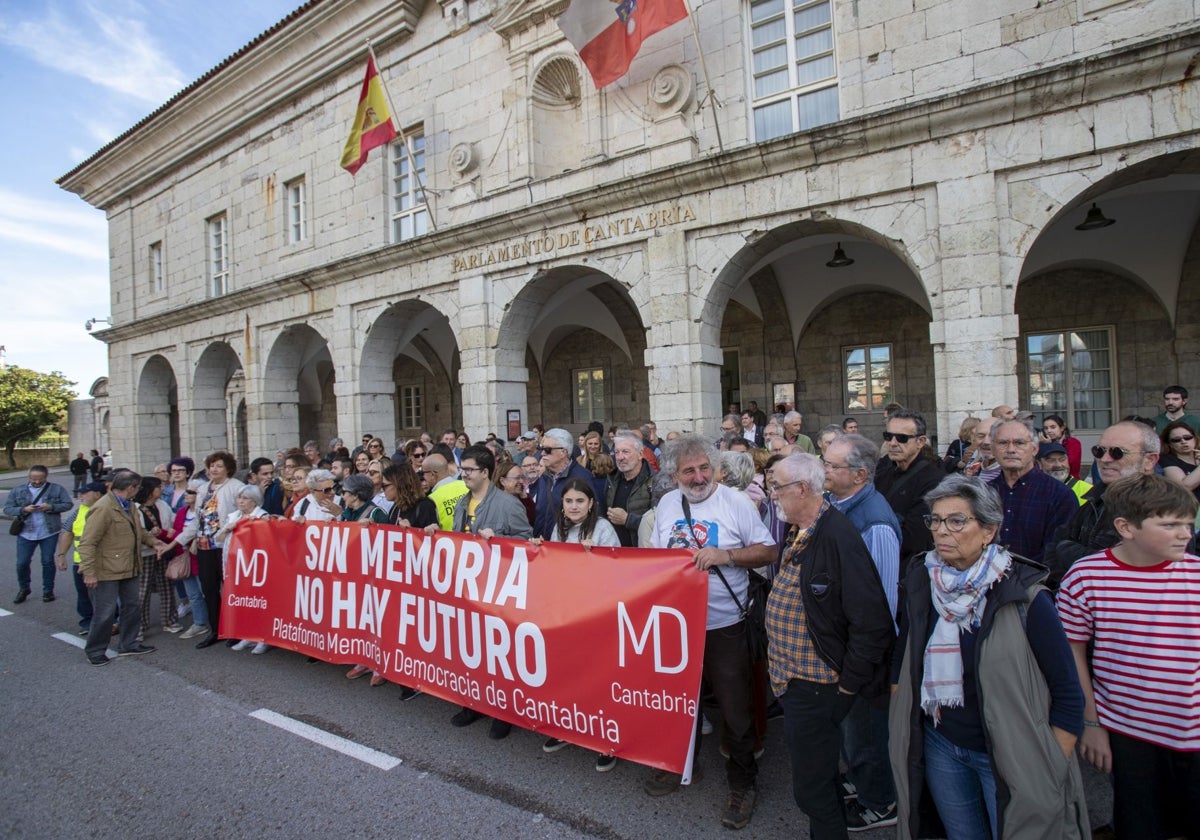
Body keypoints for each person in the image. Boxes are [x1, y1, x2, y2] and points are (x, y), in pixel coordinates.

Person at [890, 474, 1087, 840]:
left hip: (1011, 752)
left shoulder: (1025, 597)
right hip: (942, 744)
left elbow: (1068, 693)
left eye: (956, 520)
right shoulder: (922, 579)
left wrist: (1050, 764)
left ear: (989, 531)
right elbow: (905, 651)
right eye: (934, 520)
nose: (941, 531)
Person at [645, 435, 777, 830]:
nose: (699, 477)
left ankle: (742, 783)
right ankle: (681, 765)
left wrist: (728, 556)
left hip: (725, 626)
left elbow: (768, 551)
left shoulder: (735, 502)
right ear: (674, 475)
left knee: (735, 711)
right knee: (677, 703)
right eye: (689, 470)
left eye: (705, 468)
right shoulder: (668, 504)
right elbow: (655, 558)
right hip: (678, 625)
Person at [1057, 473, 1200, 839]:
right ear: (1126, 527)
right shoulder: (1086, 577)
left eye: (1187, 524)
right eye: (1170, 525)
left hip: (1194, 731)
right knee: (1139, 825)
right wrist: (1092, 725)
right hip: (1129, 732)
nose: (1185, 534)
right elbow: (1071, 651)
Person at [765, 453, 895, 838]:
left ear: (802, 489)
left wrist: (849, 683)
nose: (773, 496)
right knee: (819, 777)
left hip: (819, 684)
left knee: (812, 788)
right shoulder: (802, 527)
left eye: (778, 488)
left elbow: (872, 621)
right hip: (797, 680)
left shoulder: (837, 535)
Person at [821, 434, 902, 830]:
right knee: (851, 728)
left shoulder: (876, 522)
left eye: (833, 467)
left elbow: (882, 604)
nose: (826, 472)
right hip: (844, 645)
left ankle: (880, 803)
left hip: (865, 652)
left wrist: (862, 657)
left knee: (866, 729)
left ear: (860, 474)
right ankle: (860, 778)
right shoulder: (839, 505)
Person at [444, 445, 533, 737]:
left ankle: (504, 712)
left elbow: (527, 544)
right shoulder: (461, 503)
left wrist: (500, 540)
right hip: (468, 588)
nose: (464, 474)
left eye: (469, 470)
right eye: (462, 469)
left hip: (498, 592)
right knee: (472, 650)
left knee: (499, 654)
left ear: (485, 472)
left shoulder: (508, 505)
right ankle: (473, 703)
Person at [538, 477, 622, 769]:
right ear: (562, 504)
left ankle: (605, 740)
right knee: (567, 675)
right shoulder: (558, 529)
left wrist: (593, 559)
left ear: (591, 504)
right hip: (565, 614)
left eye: (580, 501)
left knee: (597, 678)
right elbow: (550, 569)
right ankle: (568, 727)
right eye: (569, 501)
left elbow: (618, 573)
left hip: (595, 617)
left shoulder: (602, 529)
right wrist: (540, 550)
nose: (574, 506)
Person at [1044, 421, 1161, 589]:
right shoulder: (1094, 500)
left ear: (1149, 460)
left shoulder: (1164, 506)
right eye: (1099, 451)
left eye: (1117, 453)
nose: (1105, 460)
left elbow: (1131, 570)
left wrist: (1069, 552)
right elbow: (1053, 553)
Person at [77, 470, 168, 665]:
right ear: (130, 488)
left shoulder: (129, 506)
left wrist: (155, 542)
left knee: (132, 607)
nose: (139, 490)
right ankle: (95, 650)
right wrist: (89, 572)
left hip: (129, 566)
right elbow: (87, 542)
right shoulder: (103, 508)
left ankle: (128, 643)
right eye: (138, 487)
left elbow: (140, 531)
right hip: (107, 570)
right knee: (105, 612)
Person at [987, 419, 1077, 566]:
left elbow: (1057, 551)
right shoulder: (984, 492)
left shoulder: (1059, 495)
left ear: (1034, 449)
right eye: (1003, 443)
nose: (1011, 449)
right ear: (993, 449)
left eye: (1019, 443)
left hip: (1037, 583)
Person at [874, 410, 943, 572]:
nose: (893, 443)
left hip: (910, 569)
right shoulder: (883, 472)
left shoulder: (934, 480)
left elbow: (915, 537)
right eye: (888, 436)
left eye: (902, 438)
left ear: (921, 441)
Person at [193, 451, 244, 649]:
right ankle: (216, 629)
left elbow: (242, 513)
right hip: (205, 544)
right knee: (209, 588)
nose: (214, 469)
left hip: (225, 545)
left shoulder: (236, 487)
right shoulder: (203, 488)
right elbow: (198, 517)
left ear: (228, 468)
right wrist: (183, 540)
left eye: (219, 466)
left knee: (230, 587)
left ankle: (236, 629)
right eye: (212, 465)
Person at [5, 465, 73, 604]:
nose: (36, 482)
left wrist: (51, 507)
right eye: (33, 479)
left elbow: (68, 504)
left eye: (40, 479)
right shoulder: (18, 490)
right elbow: (8, 509)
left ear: (45, 477)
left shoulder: (56, 489)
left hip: (48, 531)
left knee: (47, 561)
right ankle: (24, 588)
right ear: (29, 477)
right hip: (26, 532)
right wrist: (24, 509)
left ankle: (48, 590)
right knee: (22, 563)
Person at [220, 485, 272, 655]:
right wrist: (227, 528)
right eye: (239, 497)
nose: (241, 501)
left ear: (255, 500)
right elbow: (219, 538)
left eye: (245, 498)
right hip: (235, 565)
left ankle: (263, 637)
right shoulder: (233, 516)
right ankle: (248, 635)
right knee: (242, 600)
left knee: (258, 601)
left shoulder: (262, 516)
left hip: (254, 566)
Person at [55, 481, 106, 635]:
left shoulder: (107, 509)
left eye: (85, 493)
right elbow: (68, 532)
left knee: (105, 594)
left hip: (104, 561)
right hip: (81, 561)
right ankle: (87, 622)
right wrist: (62, 555)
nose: (81, 496)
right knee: (83, 594)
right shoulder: (80, 511)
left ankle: (111, 620)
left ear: (98, 494)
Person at [133, 477, 179, 638]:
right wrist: (150, 536)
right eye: (158, 487)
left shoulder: (162, 505)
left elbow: (173, 519)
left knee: (167, 586)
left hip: (164, 549)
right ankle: (139, 626)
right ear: (149, 490)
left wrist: (171, 530)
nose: (161, 489)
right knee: (142, 590)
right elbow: (136, 532)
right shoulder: (135, 508)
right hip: (145, 552)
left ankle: (169, 620)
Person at [532, 428, 594, 539]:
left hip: (568, 547)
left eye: (547, 449)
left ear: (563, 452)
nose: (542, 453)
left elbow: (593, 515)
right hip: (542, 546)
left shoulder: (582, 477)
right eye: (541, 448)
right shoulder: (544, 476)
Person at [606, 431, 654, 546]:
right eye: (616, 452)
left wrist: (628, 520)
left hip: (640, 553)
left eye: (625, 452)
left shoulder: (656, 482)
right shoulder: (611, 479)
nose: (620, 457)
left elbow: (660, 524)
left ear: (640, 454)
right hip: (614, 552)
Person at [382, 462, 438, 529]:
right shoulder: (396, 508)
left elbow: (433, 537)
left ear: (399, 485)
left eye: (384, 486)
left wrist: (411, 530)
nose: (382, 489)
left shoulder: (425, 506)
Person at [424, 453, 468, 531]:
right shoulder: (466, 486)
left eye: (423, 473)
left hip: (450, 541)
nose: (423, 477)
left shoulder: (432, 499)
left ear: (432, 474)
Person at [1158, 419, 1200, 502]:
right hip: (1189, 508)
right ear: (1170, 444)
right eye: (1176, 440)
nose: (1183, 441)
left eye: (1188, 437)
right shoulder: (1166, 459)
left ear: (1195, 438)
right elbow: (1184, 487)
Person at [1040, 414, 1082, 478]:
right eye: (1046, 428)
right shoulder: (1042, 443)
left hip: (1070, 481)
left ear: (1062, 428)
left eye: (1053, 427)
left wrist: (1050, 445)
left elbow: (1068, 462)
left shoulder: (1073, 442)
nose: (1049, 431)